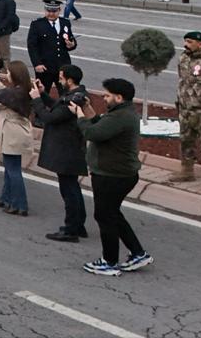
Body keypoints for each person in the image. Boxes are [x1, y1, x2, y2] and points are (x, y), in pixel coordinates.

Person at [74, 78, 152, 276]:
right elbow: (99, 124)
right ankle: (138, 253)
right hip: (118, 174)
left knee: (104, 216)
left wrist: (79, 116)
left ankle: (109, 261)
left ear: (119, 97)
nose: (104, 97)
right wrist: (88, 110)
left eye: (107, 95)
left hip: (112, 176)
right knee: (113, 214)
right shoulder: (119, 113)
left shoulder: (121, 117)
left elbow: (92, 132)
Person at [35, 64, 89, 242]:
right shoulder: (74, 95)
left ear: (70, 80)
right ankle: (78, 225)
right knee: (72, 187)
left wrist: (36, 100)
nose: (59, 80)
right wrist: (43, 94)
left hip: (67, 151)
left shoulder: (74, 99)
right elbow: (57, 107)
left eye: (61, 77)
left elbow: (50, 117)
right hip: (69, 150)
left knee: (69, 190)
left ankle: (71, 228)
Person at [0, 61, 35, 216]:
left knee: (13, 170)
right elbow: (4, 92)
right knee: (11, 168)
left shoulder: (16, 93)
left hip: (13, 133)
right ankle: (6, 197)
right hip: (15, 132)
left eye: (9, 73)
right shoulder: (22, 89)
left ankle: (20, 204)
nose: (7, 75)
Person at [171, 30, 201, 189]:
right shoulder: (183, 58)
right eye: (185, 41)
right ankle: (187, 171)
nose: (185, 45)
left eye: (189, 42)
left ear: (200, 44)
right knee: (185, 140)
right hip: (185, 107)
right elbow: (183, 81)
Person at [27, 0, 77, 87]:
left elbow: (70, 39)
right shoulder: (37, 24)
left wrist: (72, 45)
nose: (51, 14)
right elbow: (32, 46)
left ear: (59, 10)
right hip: (45, 66)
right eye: (48, 11)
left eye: (54, 11)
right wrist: (37, 63)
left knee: (64, 93)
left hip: (62, 67)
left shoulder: (65, 23)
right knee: (43, 93)